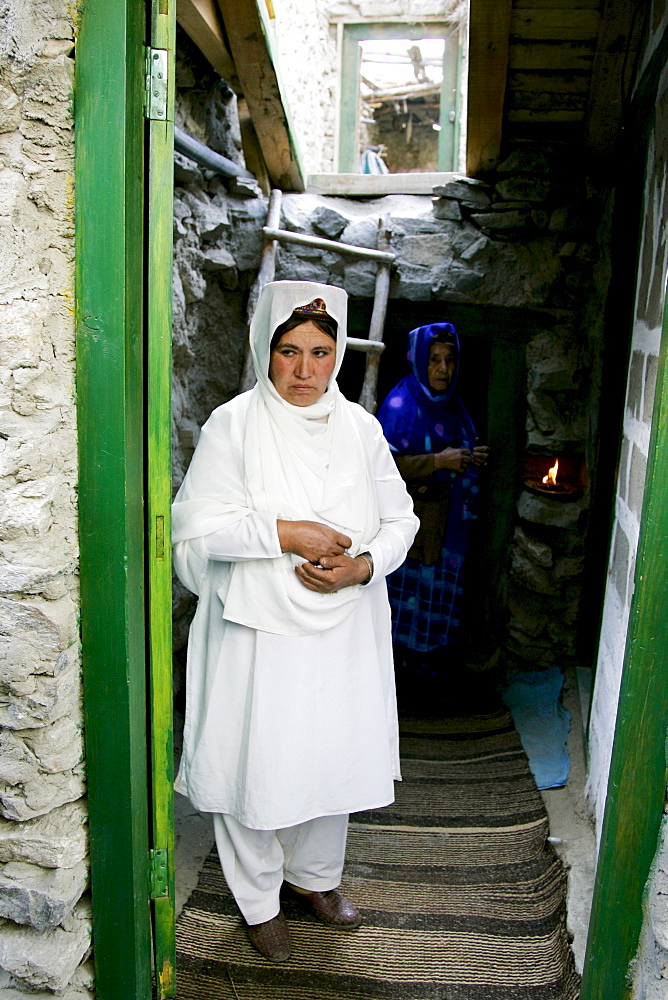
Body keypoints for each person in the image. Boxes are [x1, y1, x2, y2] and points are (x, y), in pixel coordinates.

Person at [172, 281, 418, 963]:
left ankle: (314, 879)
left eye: (320, 350)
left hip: (342, 629)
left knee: (327, 756)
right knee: (256, 760)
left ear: (337, 353)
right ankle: (256, 900)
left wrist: (363, 567)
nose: (306, 370)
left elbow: (402, 520)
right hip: (257, 635)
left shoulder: (361, 430)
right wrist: (288, 533)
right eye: (288, 351)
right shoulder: (234, 426)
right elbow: (196, 533)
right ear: (265, 350)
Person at [377, 322, 489, 709]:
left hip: (449, 528)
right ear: (417, 361)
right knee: (402, 604)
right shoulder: (399, 406)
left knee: (437, 604)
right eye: (434, 360)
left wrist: (471, 458)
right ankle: (395, 686)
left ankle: (427, 686)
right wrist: (438, 461)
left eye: (450, 359)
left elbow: (464, 449)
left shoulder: (456, 406)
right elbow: (379, 466)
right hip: (411, 528)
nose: (443, 369)